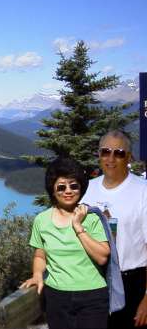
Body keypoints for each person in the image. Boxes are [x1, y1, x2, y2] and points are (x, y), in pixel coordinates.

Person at [21, 157, 110, 329]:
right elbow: (40, 254)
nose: (68, 191)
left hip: (92, 297)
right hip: (56, 296)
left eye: (73, 185)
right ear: (53, 191)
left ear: (81, 188)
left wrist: (77, 225)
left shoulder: (92, 218)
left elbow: (102, 257)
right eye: (61, 187)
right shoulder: (42, 220)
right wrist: (38, 275)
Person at [82, 130, 147, 328]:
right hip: (91, 282)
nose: (111, 158)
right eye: (105, 151)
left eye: (118, 153)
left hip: (132, 285)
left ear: (128, 157)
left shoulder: (143, 191)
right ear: (99, 155)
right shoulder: (86, 189)